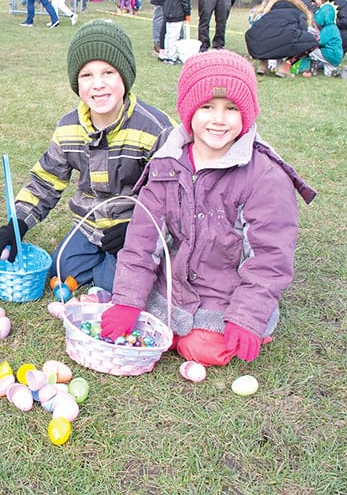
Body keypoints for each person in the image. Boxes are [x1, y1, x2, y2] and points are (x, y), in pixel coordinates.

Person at [101, 50, 317, 367]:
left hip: (225, 293)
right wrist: (128, 301)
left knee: (203, 348)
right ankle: (164, 319)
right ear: (189, 111)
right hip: (174, 289)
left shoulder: (265, 177)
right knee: (149, 330)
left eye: (231, 108)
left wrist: (247, 317)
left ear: (246, 114)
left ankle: (245, 322)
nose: (218, 119)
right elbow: (142, 239)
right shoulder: (167, 162)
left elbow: (270, 257)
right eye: (207, 107)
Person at [0, 21, 175, 293]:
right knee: (60, 267)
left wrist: (138, 229)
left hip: (135, 229)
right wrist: (17, 224)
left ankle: (121, 270)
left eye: (108, 72)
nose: (98, 84)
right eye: (87, 75)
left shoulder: (155, 129)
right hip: (90, 226)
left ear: (125, 75)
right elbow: (45, 181)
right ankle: (108, 266)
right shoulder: (69, 127)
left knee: (118, 282)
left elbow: (173, 195)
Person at [244, 0, 318, 77]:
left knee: (266, 37)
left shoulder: (269, 13)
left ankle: (263, 65)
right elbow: (303, 30)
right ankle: (285, 67)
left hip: (254, 45)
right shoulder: (299, 13)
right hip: (282, 40)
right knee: (312, 42)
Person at [307, 0, 347, 78]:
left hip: (330, 54)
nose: (312, 4)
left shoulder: (328, 29)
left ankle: (312, 70)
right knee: (329, 74)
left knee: (310, 49)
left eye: (314, 1)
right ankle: (338, 72)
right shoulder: (332, 28)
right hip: (334, 56)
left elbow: (318, 41)